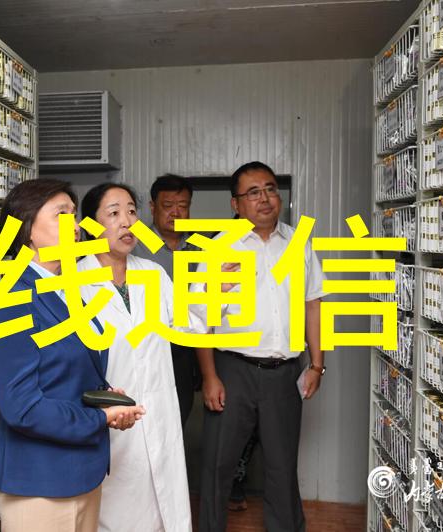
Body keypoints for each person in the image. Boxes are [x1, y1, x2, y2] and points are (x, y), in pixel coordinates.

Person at [0, 178, 145, 532]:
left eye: (74, 213)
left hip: (83, 473)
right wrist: (99, 419)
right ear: (27, 230)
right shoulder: (12, 301)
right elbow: (22, 408)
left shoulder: (66, 292)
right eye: (61, 214)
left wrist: (105, 397)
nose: (75, 225)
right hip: (41, 486)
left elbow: (68, 373)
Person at [195, 162, 325, 532]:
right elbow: (200, 318)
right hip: (232, 369)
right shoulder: (219, 247)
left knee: (282, 466)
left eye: (270, 189)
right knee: (218, 464)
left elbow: (313, 305)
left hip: (284, 372)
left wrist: (317, 365)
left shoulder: (299, 244)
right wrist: (209, 377)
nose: (264, 198)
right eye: (253, 192)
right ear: (235, 204)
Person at [77, 182, 191, 532]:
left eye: (131, 211)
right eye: (114, 213)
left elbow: (188, 325)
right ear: (90, 226)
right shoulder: (74, 282)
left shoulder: (153, 274)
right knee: (115, 510)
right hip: (110, 417)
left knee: (162, 510)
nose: (127, 221)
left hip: (158, 411)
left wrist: (216, 290)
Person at [134, 174, 199, 427]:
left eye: (183, 206)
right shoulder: (135, 241)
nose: (176, 213)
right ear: (152, 207)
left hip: (182, 348)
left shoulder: (198, 246)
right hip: (143, 344)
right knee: (141, 416)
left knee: (180, 413)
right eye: (168, 205)